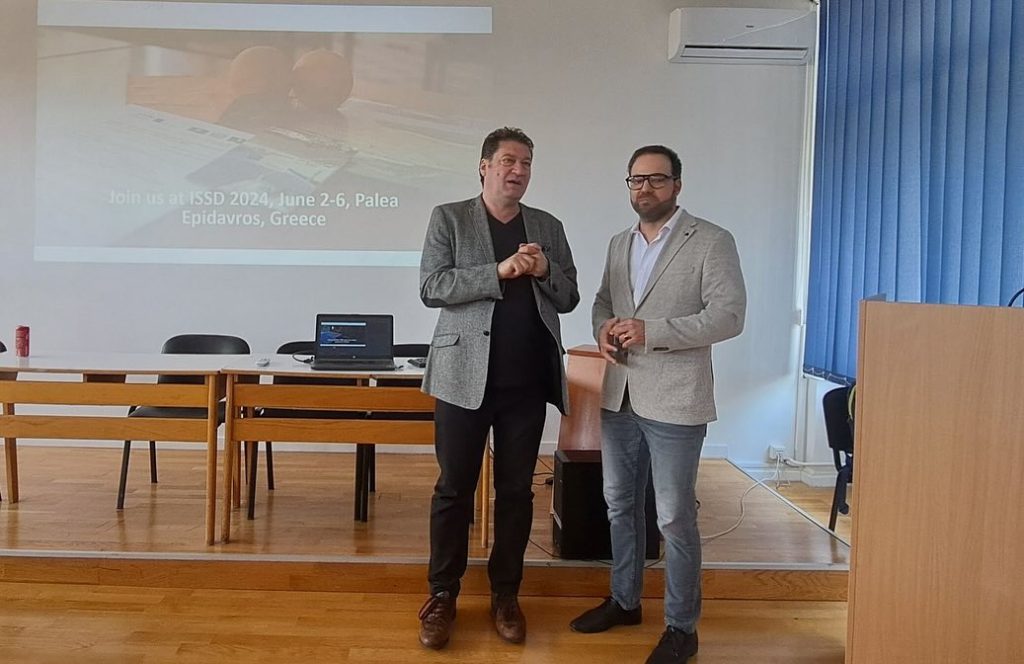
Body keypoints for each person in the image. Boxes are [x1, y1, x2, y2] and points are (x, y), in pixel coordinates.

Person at [569, 145, 746, 664]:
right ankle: (625, 601)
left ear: (677, 185)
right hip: (619, 393)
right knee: (619, 505)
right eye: (636, 180)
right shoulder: (618, 243)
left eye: (656, 179)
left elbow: (729, 316)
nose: (644, 188)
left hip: (677, 399)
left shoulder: (711, 240)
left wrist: (655, 332)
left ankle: (681, 628)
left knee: (673, 517)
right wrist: (602, 328)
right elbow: (603, 302)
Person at [417, 127, 579, 649]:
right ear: (484, 166)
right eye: (509, 160)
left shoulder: (547, 226)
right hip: (462, 378)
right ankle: (442, 594)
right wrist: (499, 271)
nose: (519, 170)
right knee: (453, 489)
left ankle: (506, 594)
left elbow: (570, 296)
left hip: (526, 383)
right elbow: (432, 286)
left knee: (515, 492)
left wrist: (545, 268)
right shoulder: (449, 217)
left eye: (526, 162)